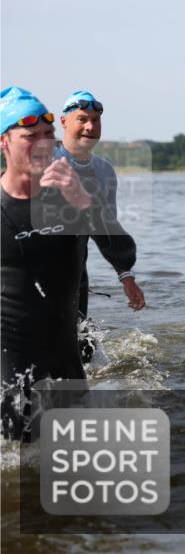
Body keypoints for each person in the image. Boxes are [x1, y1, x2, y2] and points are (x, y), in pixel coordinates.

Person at [1, 88, 95, 439]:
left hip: (64, 354)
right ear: (4, 142)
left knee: (82, 453)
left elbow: (121, 251)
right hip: (11, 355)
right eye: (30, 136)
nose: (43, 144)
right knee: (21, 453)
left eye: (48, 134)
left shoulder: (72, 194)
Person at [55, 91, 146, 325]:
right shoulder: (42, 161)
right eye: (82, 119)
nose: (90, 126)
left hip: (77, 272)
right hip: (31, 274)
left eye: (95, 120)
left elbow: (107, 231)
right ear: (63, 121)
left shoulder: (104, 171)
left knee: (78, 350)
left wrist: (126, 276)